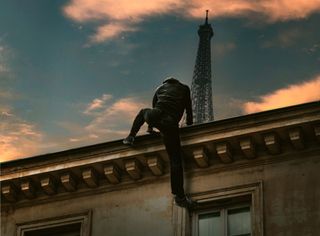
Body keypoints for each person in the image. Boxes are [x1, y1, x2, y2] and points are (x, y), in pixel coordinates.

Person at [123, 77, 197, 209]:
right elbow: (188, 108)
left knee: (142, 112)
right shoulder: (185, 88)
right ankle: (179, 196)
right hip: (170, 122)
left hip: (154, 115)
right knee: (175, 159)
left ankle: (130, 137)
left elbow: (154, 104)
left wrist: (150, 128)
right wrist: (190, 123)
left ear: (166, 82)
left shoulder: (160, 88)